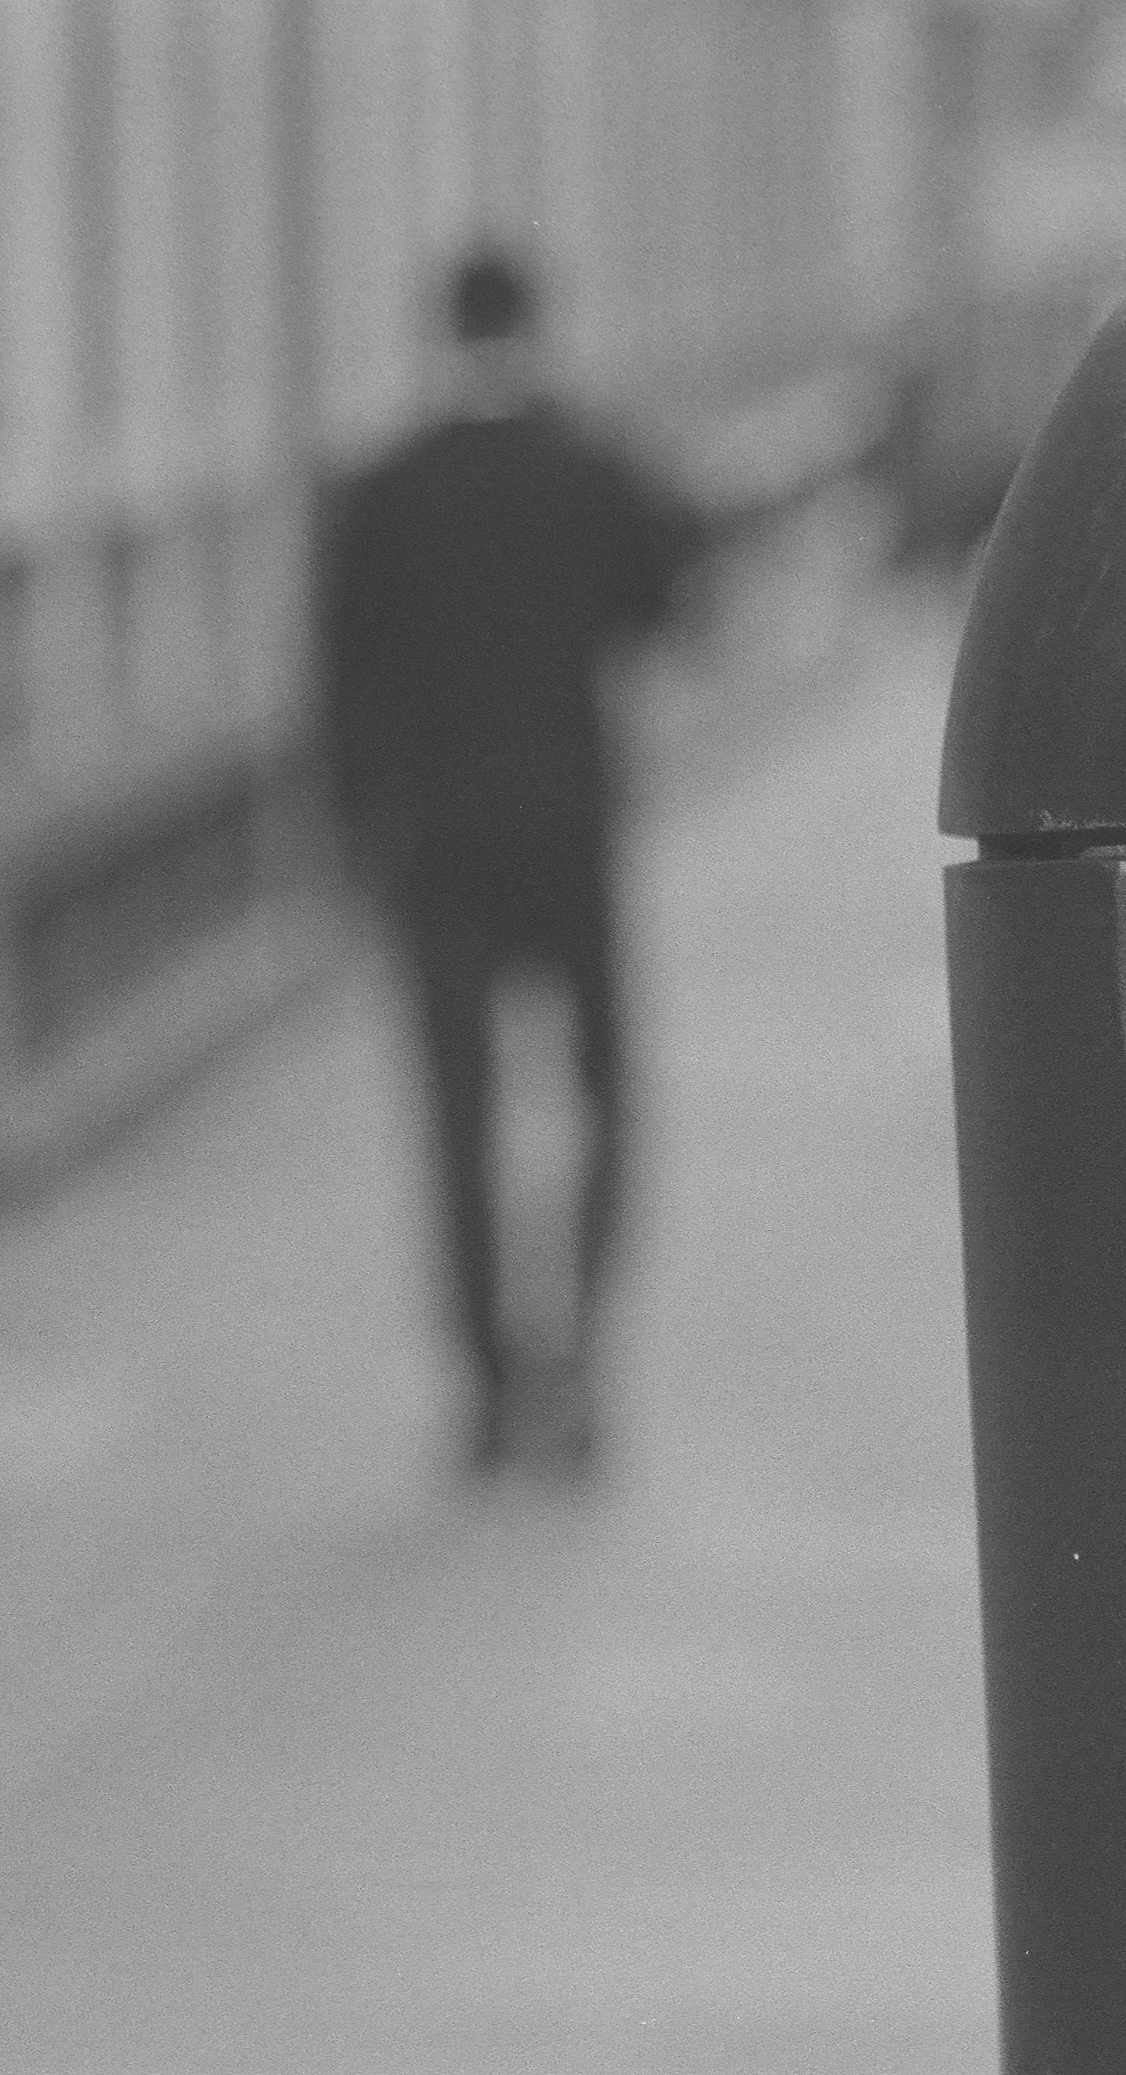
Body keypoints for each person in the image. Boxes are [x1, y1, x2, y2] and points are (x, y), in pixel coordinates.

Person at [317, 251, 704, 1479]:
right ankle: (580, 1358)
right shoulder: (585, 467)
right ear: (535, 328)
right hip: (566, 832)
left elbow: (336, 688)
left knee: (458, 1113)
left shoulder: (381, 489)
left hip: (433, 846)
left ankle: (487, 1387)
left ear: (442, 336)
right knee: (597, 1093)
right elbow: (665, 597)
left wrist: (354, 839)